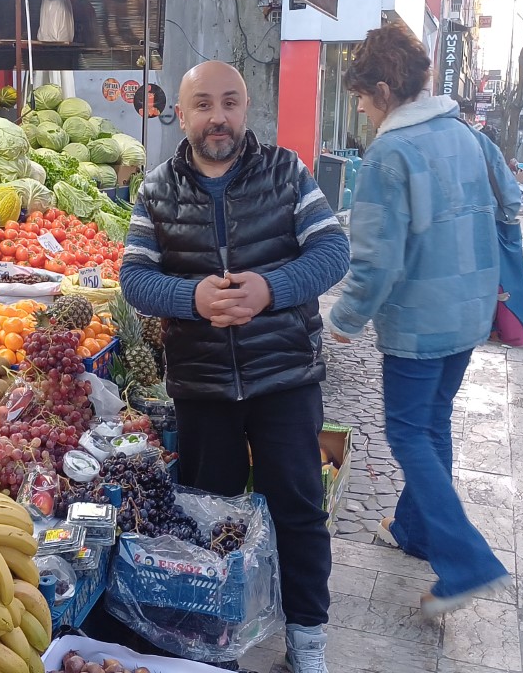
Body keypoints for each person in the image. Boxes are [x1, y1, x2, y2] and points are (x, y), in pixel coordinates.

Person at [121, 60, 350, 673]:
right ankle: (214, 640)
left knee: (299, 510)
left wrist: (270, 289)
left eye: (229, 103)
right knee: (208, 517)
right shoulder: (156, 190)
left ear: (245, 109)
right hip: (202, 388)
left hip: (285, 380)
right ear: (183, 114)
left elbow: (333, 251)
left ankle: (307, 638)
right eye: (203, 105)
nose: (217, 117)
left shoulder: (286, 172)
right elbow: (135, 279)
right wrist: (189, 298)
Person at [326, 23, 518, 617]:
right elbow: (509, 200)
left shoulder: (390, 153)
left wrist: (345, 317)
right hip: (469, 311)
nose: (358, 108)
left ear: (384, 90)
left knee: (408, 432)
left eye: (360, 96)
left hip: (418, 323)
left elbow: (376, 258)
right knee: (433, 424)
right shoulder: (465, 133)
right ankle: (413, 530)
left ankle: (467, 562)